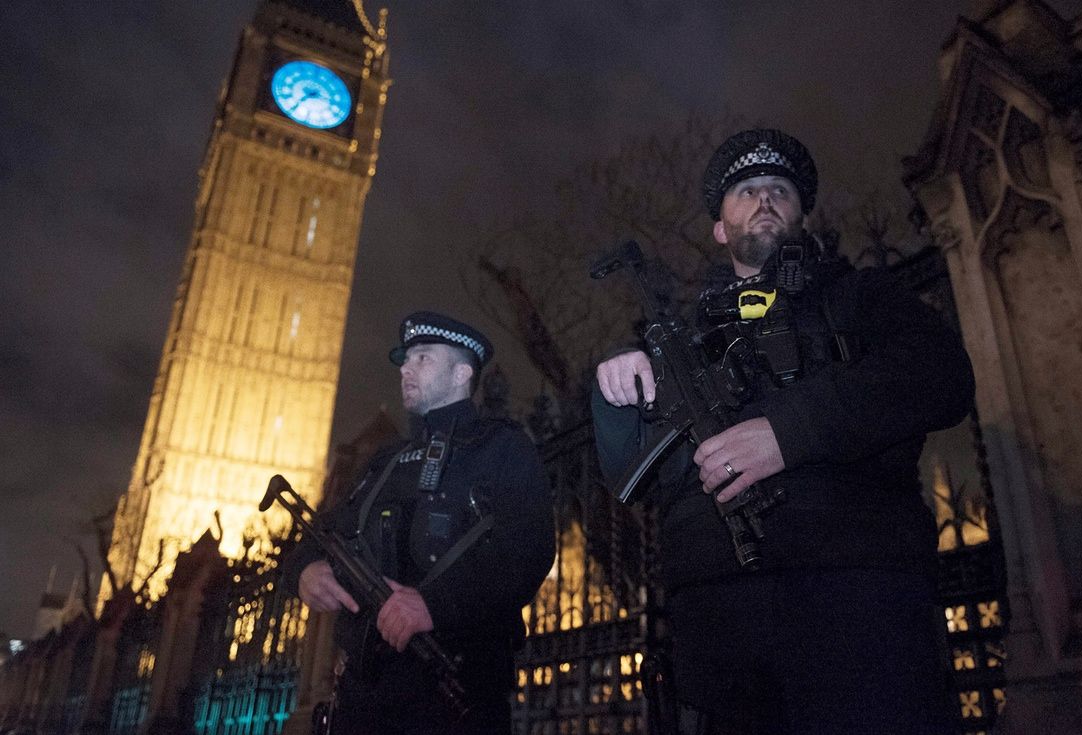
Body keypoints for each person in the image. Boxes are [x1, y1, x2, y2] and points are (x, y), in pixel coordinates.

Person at [592, 129, 975, 734]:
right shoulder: (685, 338)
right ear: (720, 228)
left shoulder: (860, 295)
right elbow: (636, 474)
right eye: (746, 191)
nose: (764, 199)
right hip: (718, 627)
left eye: (780, 190)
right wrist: (619, 387)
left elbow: (940, 375)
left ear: (802, 216)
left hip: (857, 602)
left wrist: (785, 433)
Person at [284, 311, 555, 734]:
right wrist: (304, 571)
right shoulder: (385, 461)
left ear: (462, 372)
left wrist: (435, 605)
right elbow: (327, 531)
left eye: (423, 358)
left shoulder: (502, 447)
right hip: (361, 697)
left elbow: (528, 548)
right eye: (405, 359)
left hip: (454, 695)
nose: (405, 369)